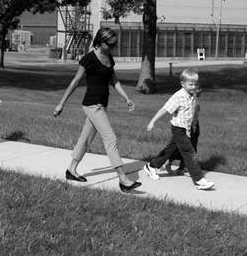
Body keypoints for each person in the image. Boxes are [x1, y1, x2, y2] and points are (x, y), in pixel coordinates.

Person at [53, 27, 141, 193]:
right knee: (110, 138)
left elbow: (114, 80)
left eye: (115, 44)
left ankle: (71, 170)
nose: (114, 47)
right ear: (101, 42)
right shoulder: (89, 58)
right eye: (111, 44)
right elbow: (75, 82)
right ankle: (123, 179)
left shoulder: (108, 57)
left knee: (85, 139)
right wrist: (61, 104)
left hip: (102, 104)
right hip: (92, 104)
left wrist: (126, 98)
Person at [143, 70, 214, 190]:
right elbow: (164, 109)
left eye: (195, 84)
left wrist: (195, 124)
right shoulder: (178, 96)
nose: (194, 87)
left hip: (190, 127)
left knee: (171, 150)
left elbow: (194, 109)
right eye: (191, 84)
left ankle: (152, 166)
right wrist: (152, 122)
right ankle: (199, 180)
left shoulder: (193, 94)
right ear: (183, 84)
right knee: (189, 152)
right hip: (179, 129)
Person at [164, 84, 202, 176]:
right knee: (185, 147)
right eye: (197, 88)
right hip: (186, 126)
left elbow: (195, 113)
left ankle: (182, 167)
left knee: (190, 147)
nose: (199, 90)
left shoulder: (193, 99)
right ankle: (168, 159)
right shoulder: (186, 98)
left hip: (193, 126)